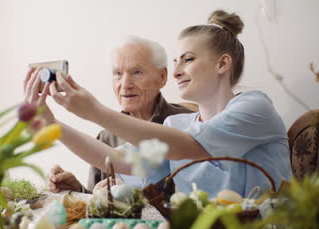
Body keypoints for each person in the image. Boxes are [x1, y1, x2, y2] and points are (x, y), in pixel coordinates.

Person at [27, 10, 292, 197]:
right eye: (175, 61)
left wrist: (93, 111)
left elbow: (190, 147)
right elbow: (119, 160)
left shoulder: (255, 108)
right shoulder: (177, 124)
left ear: (222, 63)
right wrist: (53, 125)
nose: (175, 72)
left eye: (187, 59)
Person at [26, 36, 195, 193]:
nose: (125, 84)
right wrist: (79, 190)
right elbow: (98, 208)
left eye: (137, 72)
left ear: (162, 77)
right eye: (118, 74)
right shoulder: (106, 137)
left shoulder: (187, 124)